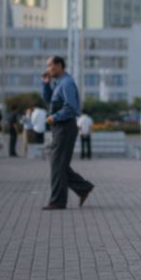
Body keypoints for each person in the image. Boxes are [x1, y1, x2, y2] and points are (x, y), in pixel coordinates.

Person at [42, 56, 95, 209]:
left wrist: (54, 117)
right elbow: (48, 101)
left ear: (59, 66)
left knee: (58, 164)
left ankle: (58, 201)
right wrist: (45, 84)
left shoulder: (67, 83)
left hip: (65, 127)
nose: (47, 69)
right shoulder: (58, 83)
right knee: (60, 164)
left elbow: (71, 107)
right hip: (60, 127)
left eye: (50, 65)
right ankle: (83, 187)